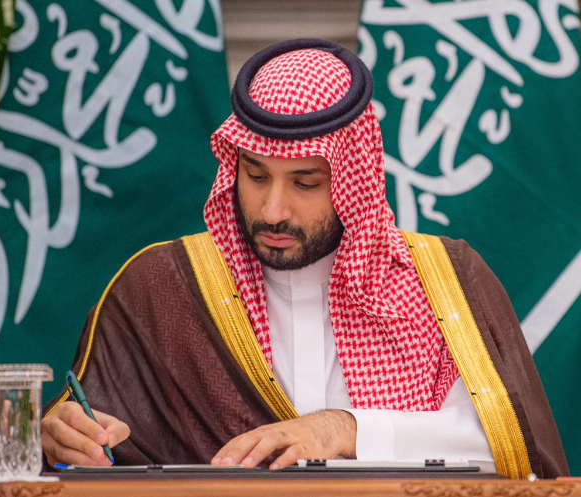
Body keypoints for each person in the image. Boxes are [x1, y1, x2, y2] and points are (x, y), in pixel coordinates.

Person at [40, 39, 569, 478]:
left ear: (352, 179)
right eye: (255, 175)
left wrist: (344, 429)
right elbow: (97, 444)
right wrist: (64, 436)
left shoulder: (441, 282)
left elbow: (503, 447)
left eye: (305, 182)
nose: (273, 209)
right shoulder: (164, 288)